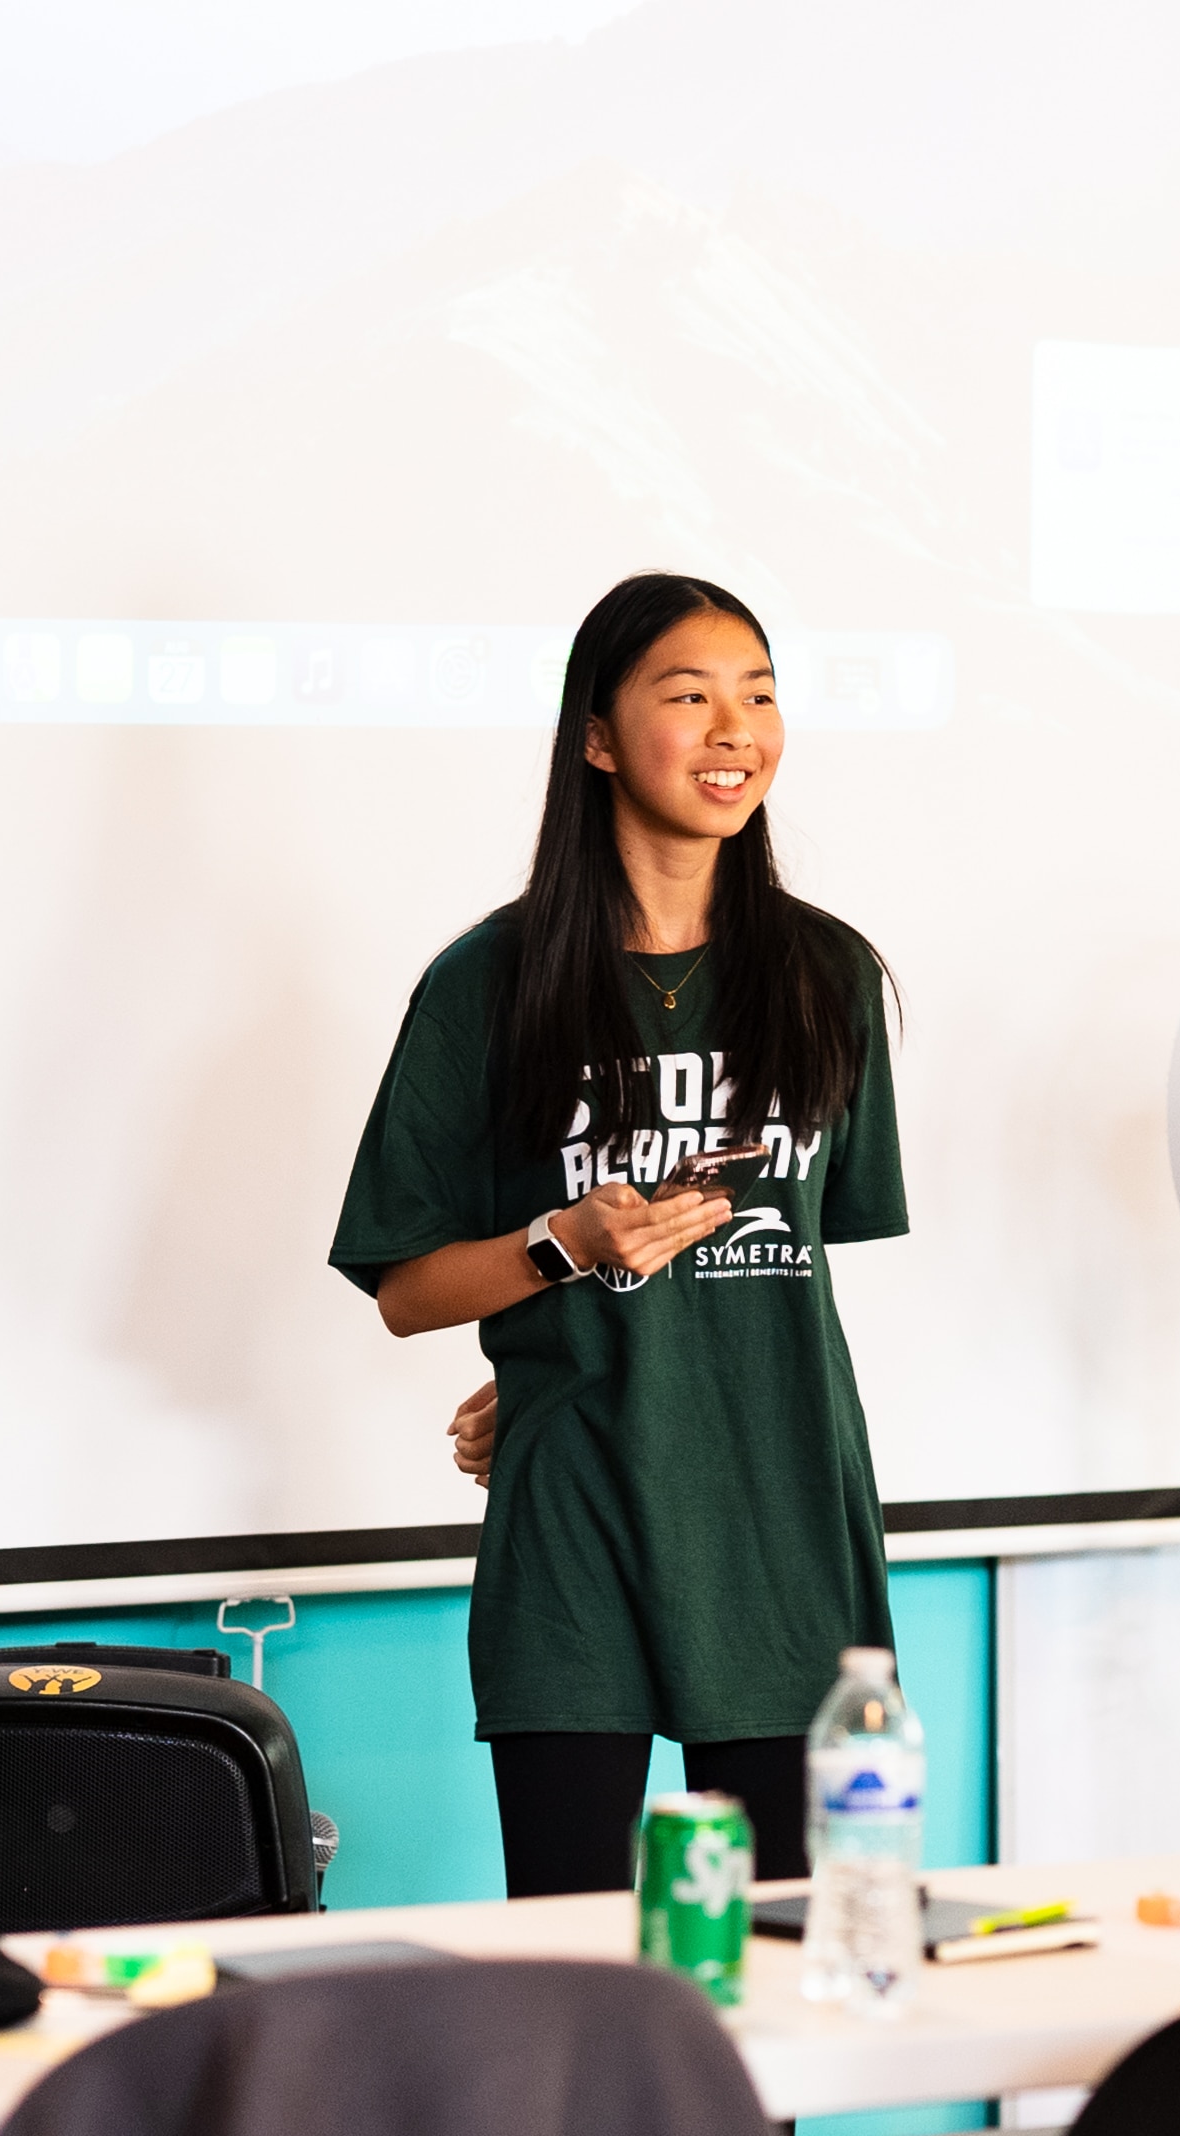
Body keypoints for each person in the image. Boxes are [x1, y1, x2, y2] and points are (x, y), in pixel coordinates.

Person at [330, 573, 908, 1896]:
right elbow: (406, 1290)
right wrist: (564, 1252)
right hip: (572, 1535)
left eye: (759, 695)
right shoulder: (488, 982)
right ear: (596, 737)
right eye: (689, 696)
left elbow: (784, 1271)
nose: (735, 731)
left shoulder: (828, 980)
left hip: (780, 1532)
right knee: (574, 1949)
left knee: (778, 1954)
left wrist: (581, 1349)